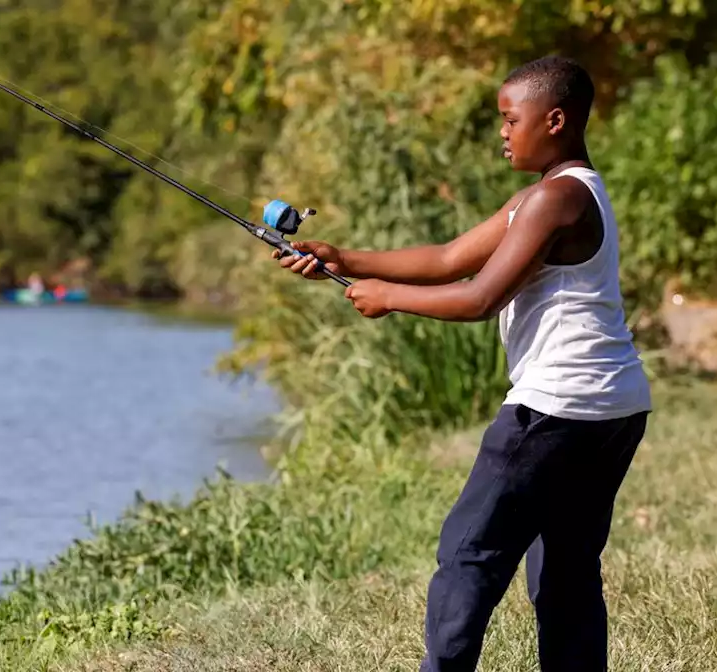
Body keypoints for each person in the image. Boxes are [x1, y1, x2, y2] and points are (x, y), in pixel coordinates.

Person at [273, 55, 652, 671]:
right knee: (565, 569)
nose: (502, 132)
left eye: (510, 119)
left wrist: (387, 300)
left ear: (554, 120)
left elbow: (479, 297)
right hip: (614, 408)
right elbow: (450, 258)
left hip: (554, 409)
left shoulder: (554, 200)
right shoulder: (558, 194)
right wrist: (343, 257)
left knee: (468, 554)